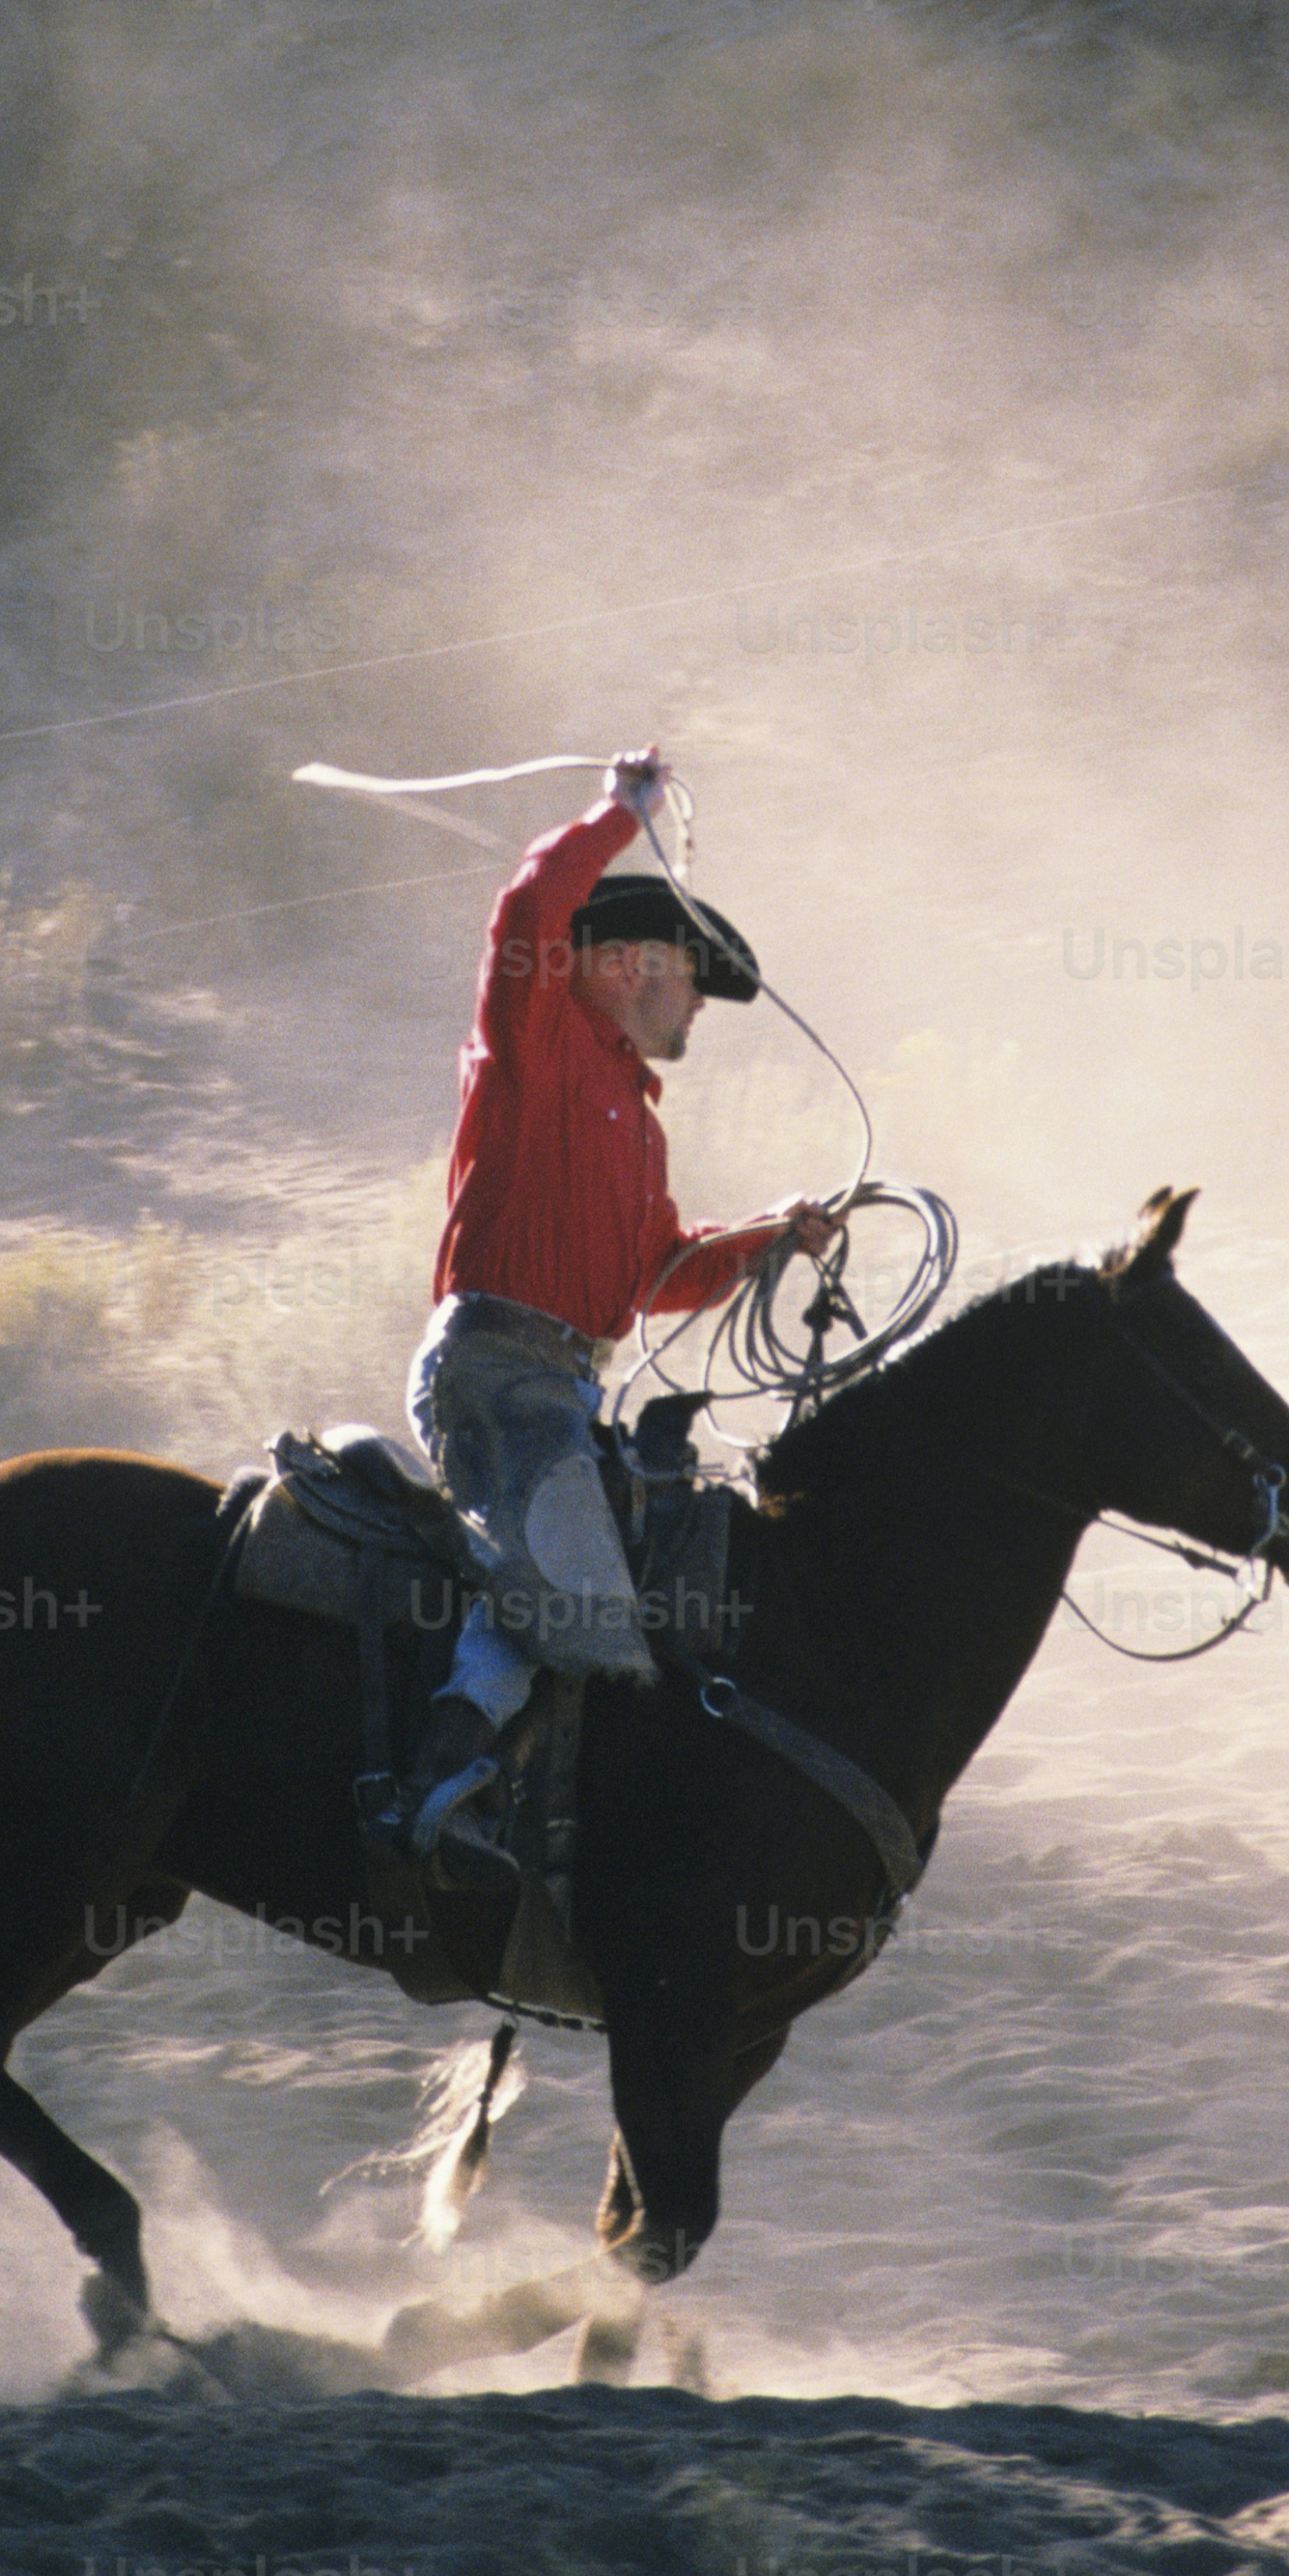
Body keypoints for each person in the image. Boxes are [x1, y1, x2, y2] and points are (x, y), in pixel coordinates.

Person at [399, 747, 835, 1876]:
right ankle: (439, 1784)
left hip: (560, 1381)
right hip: (496, 1365)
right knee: (568, 1569)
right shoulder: (536, 1038)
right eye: (694, 980)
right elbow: (526, 914)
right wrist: (616, 814)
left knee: (644, 1554)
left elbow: (655, 1274)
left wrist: (768, 1235)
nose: (699, 1007)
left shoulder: (637, 1124)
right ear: (633, 962)